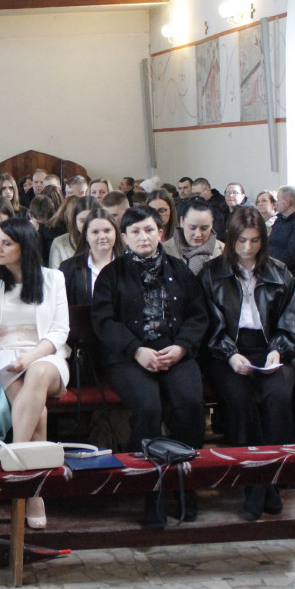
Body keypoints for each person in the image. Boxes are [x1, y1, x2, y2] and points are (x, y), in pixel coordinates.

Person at [92, 204, 209, 528]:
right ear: (125, 237)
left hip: (174, 350)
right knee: (147, 407)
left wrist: (182, 346)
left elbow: (198, 314)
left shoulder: (179, 269)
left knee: (189, 402)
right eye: (135, 231)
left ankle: (186, 486)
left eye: (149, 230)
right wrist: (136, 350)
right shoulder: (111, 274)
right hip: (129, 356)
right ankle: (150, 492)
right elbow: (104, 321)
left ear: (160, 233)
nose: (143, 237)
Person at [200, 208, 295, 519]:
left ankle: (269, 481)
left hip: (269, 348)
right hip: (226, 352)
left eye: (255, 240)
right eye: (242, 240)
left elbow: (291, 322)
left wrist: (278, 351)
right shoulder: (211, 273)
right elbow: (208, 325)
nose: (248, 247)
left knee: (277, 396)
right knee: (240, 400)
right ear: (231, 239)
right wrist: (230, 355)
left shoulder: (280, 273)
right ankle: (256, 485)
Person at [0, 218, 70, 529]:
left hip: (45, 356)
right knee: (38, 411)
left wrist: (30, 357)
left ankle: (13, 459)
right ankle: (33, 492)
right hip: (3, 362)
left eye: (6, 243)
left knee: (37, 374)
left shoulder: (53, 278)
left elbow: (59, 331)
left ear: (24, 247)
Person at [59, 208, 124, 305]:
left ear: (116, 232)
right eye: (95, 232)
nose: (102, 236)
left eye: (107, 231)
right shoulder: (69, 268)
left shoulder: (129, 265)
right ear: (86, 236)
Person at [162, 197, 225, 275]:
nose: (198, 234)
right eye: (192, 228)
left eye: (204, 228)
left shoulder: (224, 251)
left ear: (212, 224)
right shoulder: (163, 250)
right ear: (182, 221)